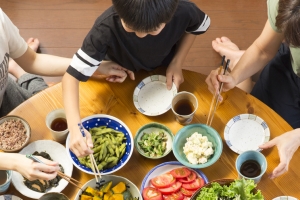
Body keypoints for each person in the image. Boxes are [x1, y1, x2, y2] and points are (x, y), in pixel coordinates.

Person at [62, 0, 210, 157]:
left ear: (169, 16)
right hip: (120, 71)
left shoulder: (184, 11)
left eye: (153, 30)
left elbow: (197, 27)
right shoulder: (105, 28)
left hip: (163, 66)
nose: (141, 34)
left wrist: (177, 62)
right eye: (130, 27)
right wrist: (74, 127)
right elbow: (70, 77)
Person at [0, 8, 127, 180]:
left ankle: (16, 65)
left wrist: (92, 67)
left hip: (5, 91)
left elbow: (33, 60)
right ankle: (16, 67)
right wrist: (13, 162)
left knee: (47, 105)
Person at [205, 0, 300, 179]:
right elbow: (264, 49)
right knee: (261, 129)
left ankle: (238, 58)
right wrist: (234, 77)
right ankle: (239, 63)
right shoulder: (286, 4)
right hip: (291, 72)